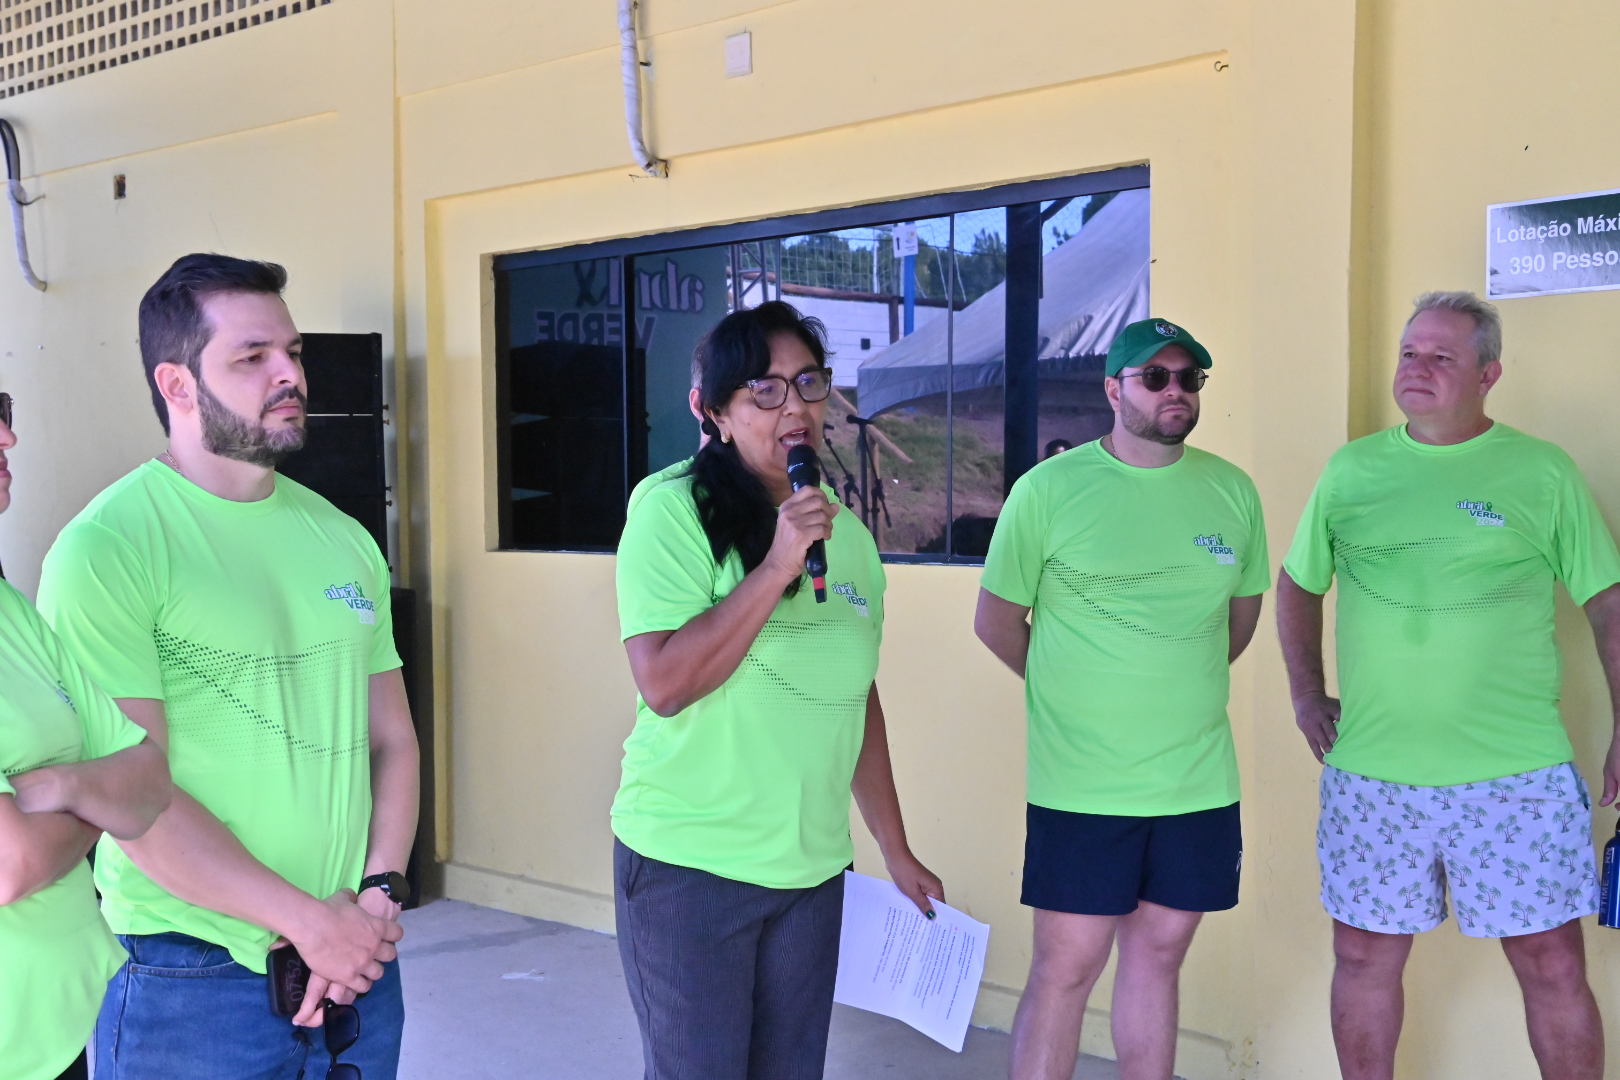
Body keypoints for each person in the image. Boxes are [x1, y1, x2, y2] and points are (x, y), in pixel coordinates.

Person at [35, 255, 419, 1080]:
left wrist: (379, 895)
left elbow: (391, 738)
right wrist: (311, 924)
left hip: (357, 961)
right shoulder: (108, 548)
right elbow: (131, 797)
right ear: (176, 384)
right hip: (190, 980)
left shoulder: (342, 537)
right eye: (253, 357)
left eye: (293, 352)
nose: (290, 375)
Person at [1278, 291, 1619, 1080]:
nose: (1417, 368)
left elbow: (1607, 605)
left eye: (1442, 356)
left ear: (1488, 374)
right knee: (1362, 959)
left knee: (1552, 964)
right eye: (1409, 352)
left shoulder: (1542, 471)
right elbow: (1298, 584)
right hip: (1374, 777)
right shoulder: (1352, 470)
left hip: (1515, 774)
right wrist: (1306, 693)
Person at [614, 299, 942, 1080]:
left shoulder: (848, 537)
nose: (794, 407)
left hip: (812, 874)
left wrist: (894, 848)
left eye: (809, 384)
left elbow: (855, 698)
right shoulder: (672, 511)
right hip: (692, 869)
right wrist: (775, 566)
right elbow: (665, 683)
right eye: (764, 390)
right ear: (715, 412)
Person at [976, 318, 1269, 1080]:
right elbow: (997, 622)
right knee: (1067, 966)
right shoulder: (1047, 491)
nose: (1176, 391)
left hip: (1197, 781)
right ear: (1113, 389)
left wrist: (1167, 681)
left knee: (1160, 957)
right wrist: (1072, 687)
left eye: (1189, 379)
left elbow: (1236, 625)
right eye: (1155, 377)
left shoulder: (1232, 492)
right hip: (1084, 783)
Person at [0, 394, 172, 1080]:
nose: (8, 437)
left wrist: (59, 786)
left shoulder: (10, 609)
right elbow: (10, 864)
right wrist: (96, 801)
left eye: (5, 410)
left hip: (54, 1030)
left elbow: (148, 782)